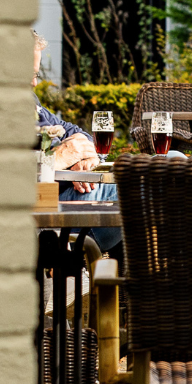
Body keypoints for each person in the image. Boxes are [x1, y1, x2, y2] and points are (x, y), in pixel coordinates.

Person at [34, 32, 120, 253]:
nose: (34, 83)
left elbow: (76, 132)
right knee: (158, 183)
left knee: (173, 161)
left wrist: (85, 159)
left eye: (35, 75)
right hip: (52, 213)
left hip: (75, 195)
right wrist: (57, 158)